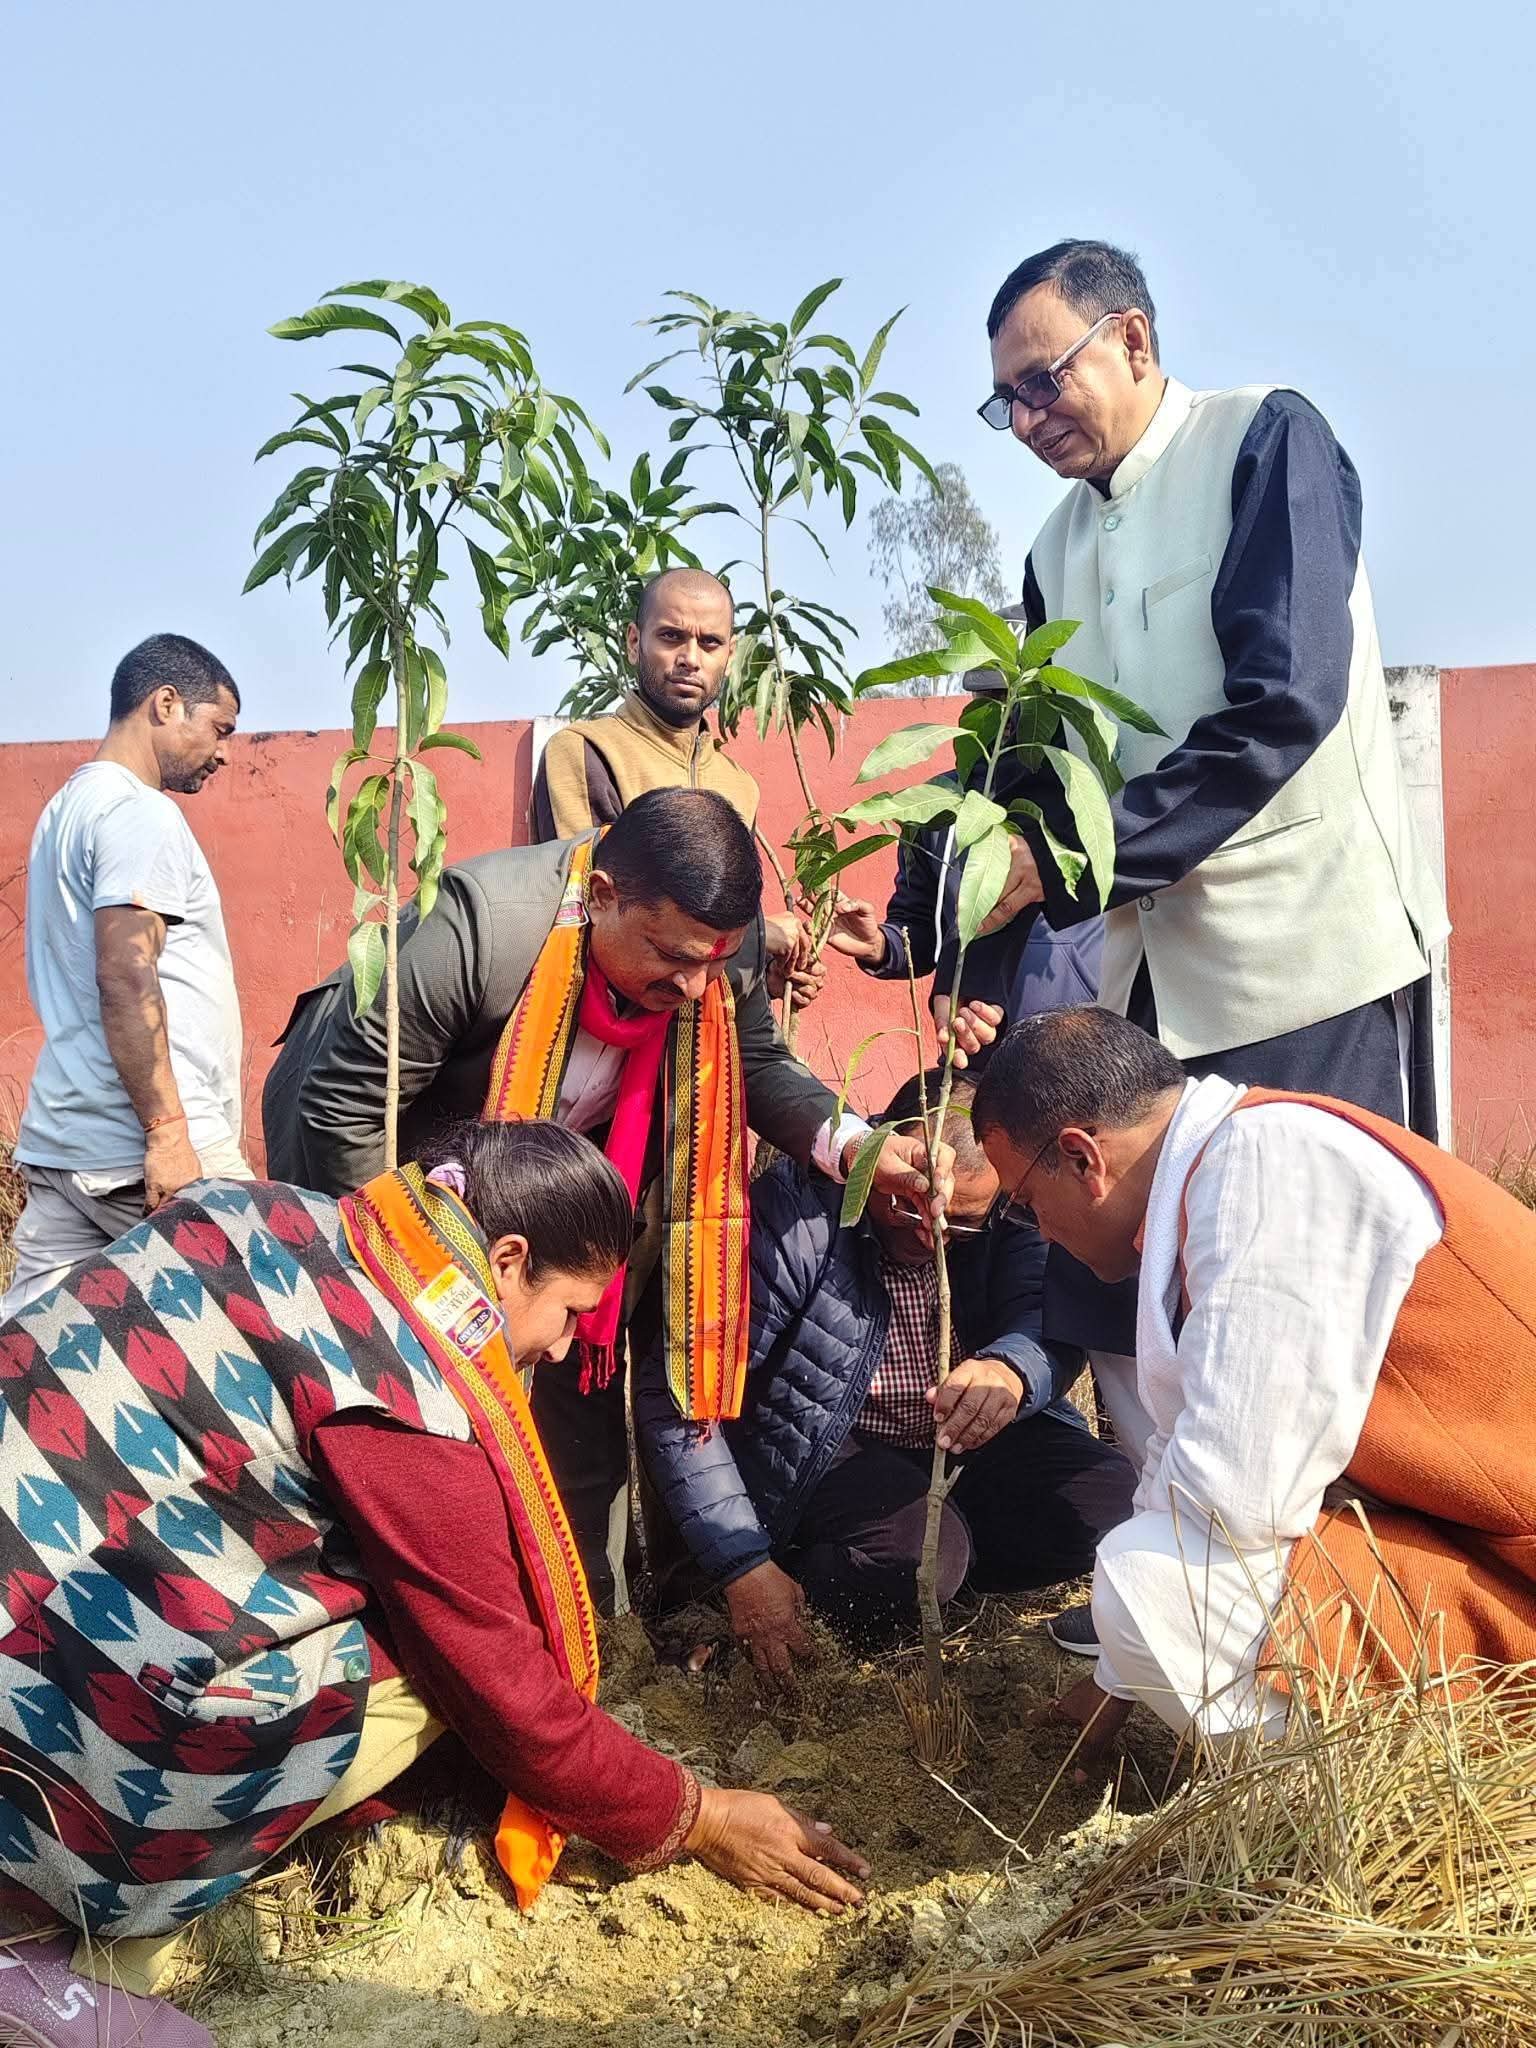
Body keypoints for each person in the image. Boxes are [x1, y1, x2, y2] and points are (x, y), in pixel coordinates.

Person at [0, 1120, 868, 2048]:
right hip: (34, 1695)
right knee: (421, 1663)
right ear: (508, 1260)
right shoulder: (400, 1393)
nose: (567, 1349)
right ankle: (67, 1933)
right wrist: (701, 1816)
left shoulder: (266, 1211)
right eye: (571, 1313)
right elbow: (504, 1692)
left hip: (40, 1549)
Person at [975, 238, 1452, 1638]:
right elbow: (1037, 768)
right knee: (1130, 1288)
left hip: (1305, 956)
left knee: (1315, 1292)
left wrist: (1066, 860)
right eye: (1006, 400)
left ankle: (1351, 1612)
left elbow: (1282, 699)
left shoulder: (1263, 442)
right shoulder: (1054, 550)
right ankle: (1179, 1590)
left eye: (1046, 378)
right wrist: (944, 906)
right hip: (1151, 990)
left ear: (1132, 338)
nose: (1030, 416)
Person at [262, 788, 950, 1611]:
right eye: (673, 956)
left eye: (715, 963)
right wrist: (416, 1282)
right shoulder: (482, 927)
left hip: (574, 1167)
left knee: (575, 1370)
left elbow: (759, 1064)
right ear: (601, 898)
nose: (697, 987)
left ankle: (592, 1610)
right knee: (417, 1388)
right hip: (400, 1153)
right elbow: (344, 1106)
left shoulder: (711, 953)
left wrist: (859, 1147)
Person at [971, 1008, 1536, 1768]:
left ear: (1081, 1158)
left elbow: (1236, 1496)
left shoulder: (1264, 1171)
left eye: (1027, 1203)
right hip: (1487, 1550)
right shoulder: (1240, 1159)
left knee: (1144, 1581)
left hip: (1513, 1575)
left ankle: (1375, 1792)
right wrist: (1115, 1681)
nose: (1040, 1232)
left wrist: (1130, 1639)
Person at [638, 1069, 1136, 1676]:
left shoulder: (1010, 1213)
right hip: (827, 1446)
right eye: (906, 1205)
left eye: (960, 1222)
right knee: (923, 1559)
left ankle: (936, 1571)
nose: (931, 1235)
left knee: (1112, 1503)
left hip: (955, 1438)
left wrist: (1011, 1370)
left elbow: (1043, 1318)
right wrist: (743, 1563)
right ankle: (820, 1580)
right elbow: (681, 1396)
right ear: (880, 1154)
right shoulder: (797, 1218)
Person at [2, 635, 250, 1322]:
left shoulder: (67, 809)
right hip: (142, 1145)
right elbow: (125, 972)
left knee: (29, 1350)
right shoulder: (140, 812)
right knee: (269, 1324)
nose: (225, 753)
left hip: (69, 1138)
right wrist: (167, 1131)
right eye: (220, 728)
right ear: (166, 704)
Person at [531, 565, 820, 1009]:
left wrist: (760, 975)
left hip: (700, 1035)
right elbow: (587, 914)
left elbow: (715, 936)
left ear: (730, 654)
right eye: (671, 637)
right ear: (634, 642)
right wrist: (763, 935)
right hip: (597, 1026)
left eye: (710, 643)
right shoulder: (586, 752)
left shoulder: (739, 785)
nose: (690, 658)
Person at [827, 615, 1104, 1051]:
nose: (1004, 714)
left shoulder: (1084, 799)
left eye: (1015, 698)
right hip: (971, 1042)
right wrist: (880, 945)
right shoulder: (936, 806)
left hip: (1079, 1046)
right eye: (987, 699)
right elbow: (920, 928)